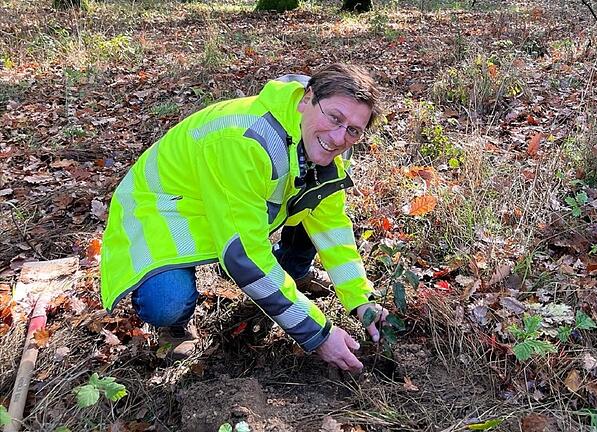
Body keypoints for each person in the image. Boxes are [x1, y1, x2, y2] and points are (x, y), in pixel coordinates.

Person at [100, 63, 388, 372]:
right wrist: (317, 333)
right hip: (161, 214)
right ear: (307, 99)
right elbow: (244, 256)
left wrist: (361, 299)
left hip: (228, 208)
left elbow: (332, 224)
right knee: (166, 301)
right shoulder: (245, 140)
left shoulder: (327, 140)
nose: (339, 136)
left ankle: (292, 272)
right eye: (334, 117)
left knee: (314, 203)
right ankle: (176, 326)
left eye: (353, 130)